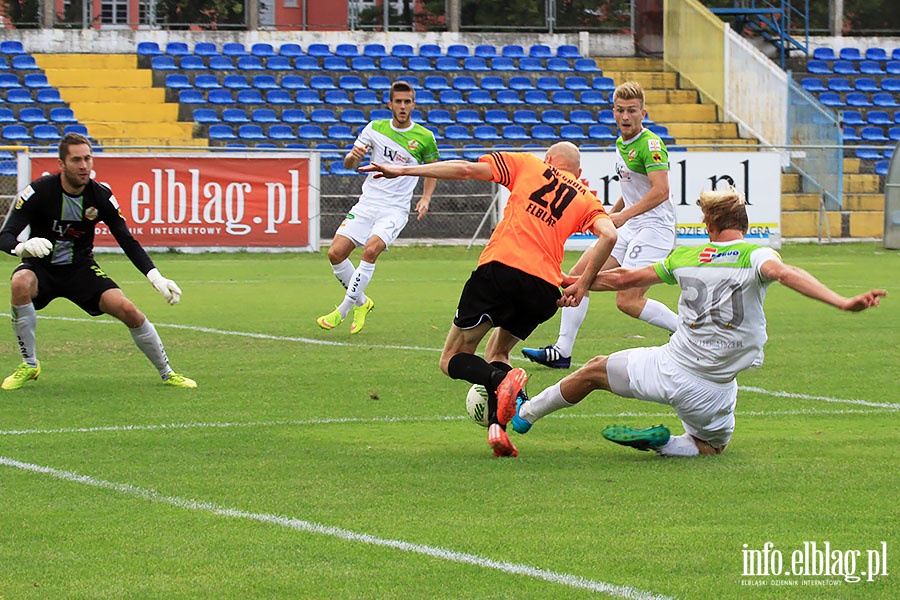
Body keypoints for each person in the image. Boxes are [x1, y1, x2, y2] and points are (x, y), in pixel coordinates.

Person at [505, 187, 886, 456]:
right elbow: (785, 274)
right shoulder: (756, 254)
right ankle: (666, 443)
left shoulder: (685, 256)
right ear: (744, 224)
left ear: (708, 224)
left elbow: (624, 278)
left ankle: (526, 416)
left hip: (665, 368)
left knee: (591, 372)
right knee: (712, 447)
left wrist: (567, 282)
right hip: (713, 389)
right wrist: (842, 302)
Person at [361, 142, 618, 457]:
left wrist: (403, 169)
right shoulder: (586, 197)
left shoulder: (527, 164)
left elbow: (466, 169)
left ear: (549, 160)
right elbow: (610, 235)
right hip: (544, 291)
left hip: (501, 269)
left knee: (452, 358)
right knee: (499, 349)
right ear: (578, 173)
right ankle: (498, 429)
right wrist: (583, 284)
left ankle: (500, 379)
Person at [0, 133, 196, 390]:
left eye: (88, 158)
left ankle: (168, 372)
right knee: (20, 282)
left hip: (81, 270)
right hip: (42, 268)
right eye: (76, 160)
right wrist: (21, 247)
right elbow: (5, 236)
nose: (84, 166)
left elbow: (127, 240)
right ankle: (30, 364)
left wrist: (155, 276)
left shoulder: (101, 196)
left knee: (128, 310)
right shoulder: (39, 191)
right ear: (61, 164)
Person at [522, 81, 678, 369]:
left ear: (643, 112)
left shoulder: (651, 145)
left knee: (627, 300)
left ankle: (687, 334)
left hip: (654, 229)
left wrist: (624, 216)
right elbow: (633, 188)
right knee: (577, 276)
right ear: (613, 112)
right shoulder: (622, 143)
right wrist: (610, 214)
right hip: (630, 227)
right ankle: (562, 351)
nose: (626, 117)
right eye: (620, 111)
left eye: (632, 111)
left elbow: (661, 191)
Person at [316, 80, 439, 334]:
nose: (403, 106)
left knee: (370, 251)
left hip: (394, 209)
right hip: (367, 203)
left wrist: (426, 198)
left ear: (413, 104)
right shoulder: (374, 129)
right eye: (399, 102)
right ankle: (363, 302)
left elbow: (432, 170)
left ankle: (343, 310)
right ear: (390, 104)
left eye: (408, 102)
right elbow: (350, 164)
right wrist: (353, 157)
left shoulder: (424, 137)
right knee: (335, 254)